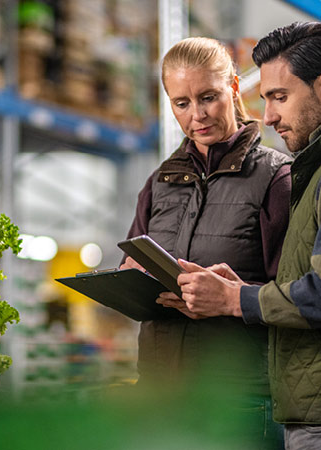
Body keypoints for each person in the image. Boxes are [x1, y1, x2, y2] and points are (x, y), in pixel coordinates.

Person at [160, 22, 321, 450]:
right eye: (265, 99)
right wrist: (241, 289)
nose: (268, 116)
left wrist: (234, 300)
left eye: (280, 97)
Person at [120, 36, 292, 445]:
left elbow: (297, 296)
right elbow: (133, 260)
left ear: (234, 88)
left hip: (239, 398)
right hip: (159, 393)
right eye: (181, 103)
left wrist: (231, 298)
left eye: (208, 97)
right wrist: (129, 279)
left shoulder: (276, 177)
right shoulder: (159, 182)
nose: (197, 115)